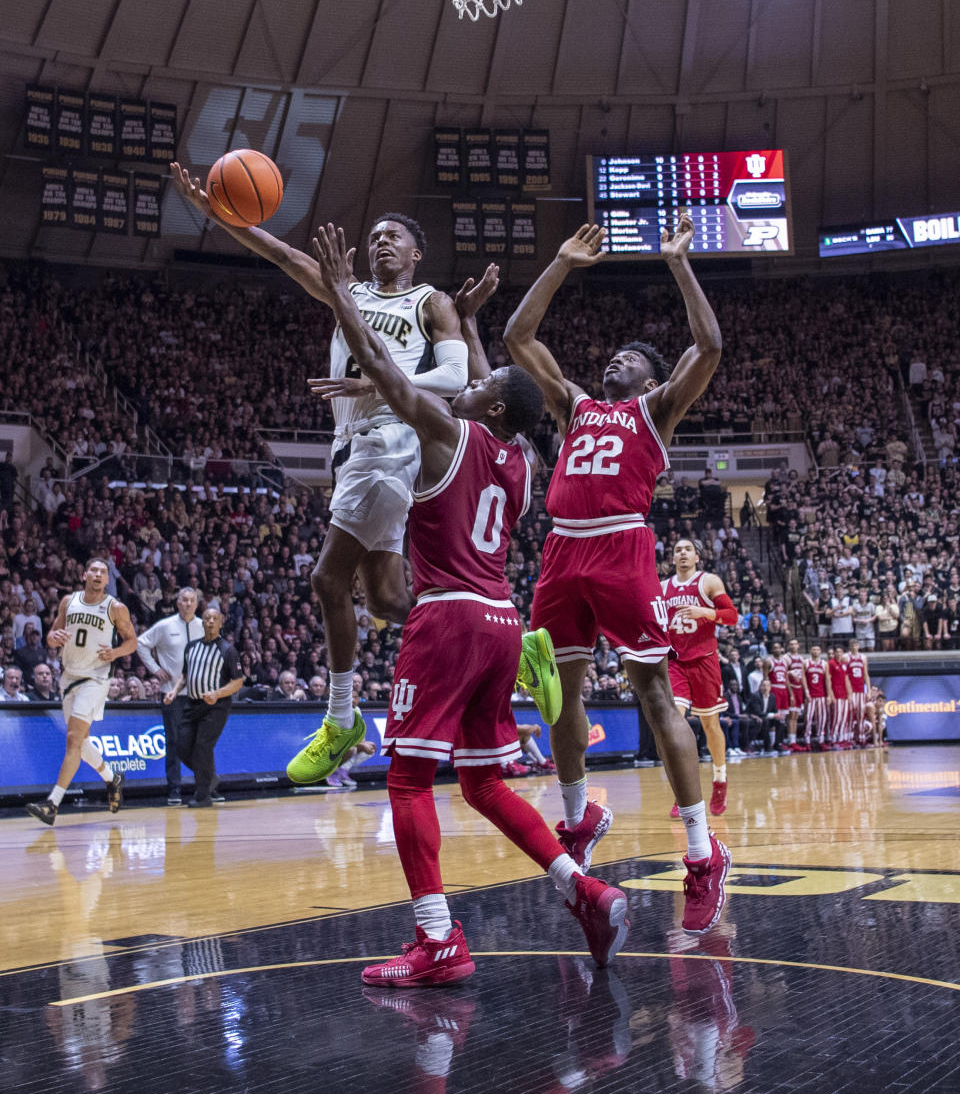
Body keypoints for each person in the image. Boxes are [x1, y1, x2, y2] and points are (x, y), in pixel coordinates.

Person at [309, 222, 628, 986]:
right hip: (502, 622)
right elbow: (499, 385)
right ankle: (581, 888)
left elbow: (387, 370)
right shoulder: (518, 460)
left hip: (449, 615)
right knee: (483, 783)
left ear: (483, 408)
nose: (466, 383)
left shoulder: (446, 432)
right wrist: (475, 326)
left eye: (475, 388)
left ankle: (438, 940)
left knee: (409, 780)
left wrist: (339, 296)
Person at [171, 165, 556, 776]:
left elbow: (457, 381)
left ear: (415, 254)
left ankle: (341, 717)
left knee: (328, 582)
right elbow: (275, 250)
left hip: (395, 440)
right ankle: (520, 650)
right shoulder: (345, 292)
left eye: (392, 237)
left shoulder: (430, 302)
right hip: (353, 444)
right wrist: (219, 209)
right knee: (385, 597)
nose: (380, 241)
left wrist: (372, 382)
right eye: (373, 235)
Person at [504, 216, 731, 935]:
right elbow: (517, 338)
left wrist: (677, 263)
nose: (612, 363)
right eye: (610, 358)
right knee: (556, 695)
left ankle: (701, 851)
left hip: (623, 548)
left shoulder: (655, 409)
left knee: (656, 693)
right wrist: (563, 263)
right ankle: (579, 819)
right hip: (563, 551)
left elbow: (711, 346)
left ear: (650, 377)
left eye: (626, 359)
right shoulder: (574, 404)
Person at [25, 557, 136, 825]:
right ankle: (112, 777)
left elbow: (132, 641)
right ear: (85, 574)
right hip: (69, 677)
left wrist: (115, 652)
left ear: (107, 579)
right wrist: (54, 638)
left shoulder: (115, 608)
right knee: (81, 742)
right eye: (94, 570)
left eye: (103, 572)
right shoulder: (68, 601)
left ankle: (52, 803)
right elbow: (51, 636)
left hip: (96, 679)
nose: (98, 575)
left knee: (73, 738)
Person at [662, 538, 739, 817]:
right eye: (677, 550)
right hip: (676, 664)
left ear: (697, 556)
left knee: (710, 725)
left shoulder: (709, 582)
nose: (682, 553)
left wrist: (705, 612)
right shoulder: (662, 588)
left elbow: (732, 616)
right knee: (674, 724)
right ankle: (684, 791)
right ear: (672, 558)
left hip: (705, 661)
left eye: (687, 549)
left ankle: (719, 779)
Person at [166, 607, 243, 807]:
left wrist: (217, 693)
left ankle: (203, 796)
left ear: (220, 623)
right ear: (202, 622)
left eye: (214, 619)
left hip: (216, 706)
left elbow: (237, 682)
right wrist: (174, 691)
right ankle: (210, 778)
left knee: (202, 747)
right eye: (207, 618)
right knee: (182, 747)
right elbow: (185, 676)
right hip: (192, 704)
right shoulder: (191, 647)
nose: (209, 622)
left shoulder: (227, 650)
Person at [136, 586, 205, 805]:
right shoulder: (165, 626)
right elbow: (140, 644)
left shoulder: (204, 626)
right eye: (183, 600)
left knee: (201, 742)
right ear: (177, 603)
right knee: (174, 743)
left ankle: (204, 788)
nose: (187, 604)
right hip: (171, 695)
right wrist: (155, 669)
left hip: (198, 694)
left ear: (197, 604)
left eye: (191, 601)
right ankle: (174, 789)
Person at [803, 644, 833, 749]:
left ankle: (821, 740)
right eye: (813, 649)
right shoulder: (806, 662)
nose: (815, 651)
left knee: (822, 718)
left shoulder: (824, 664)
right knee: (808, 718)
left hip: (821, 695)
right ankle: (807, 741)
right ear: (810, 651)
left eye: (817, 649)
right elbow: (803, 678)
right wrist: (806, 691)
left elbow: (827, 680)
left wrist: (829, 695)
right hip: (810, 695)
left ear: (820, 651)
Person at [846, 639, 871, 746]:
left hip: (861, 690)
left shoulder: (863, 657)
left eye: (856, 645)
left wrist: (869, 690)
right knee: (851, 714)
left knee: (861, 714)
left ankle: (861, 737)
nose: (854, 647)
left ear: (858, 646)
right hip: (851, 690)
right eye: (852, 645)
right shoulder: (846, 657)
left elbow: (866, 674)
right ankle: (850, 737)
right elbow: (845, 675)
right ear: (849, 647)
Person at [827, 651, 853, 749]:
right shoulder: (831, 663)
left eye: (841, 652)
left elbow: (847, 679)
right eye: (837, 652)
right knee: (837, 717)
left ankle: (842, 739)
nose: (839, 654)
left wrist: (850, 693)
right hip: (836, 693)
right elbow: (828, 679)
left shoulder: (844, 664)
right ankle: (833, 739)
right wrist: (831, 694)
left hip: (844, 694)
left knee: (844, 717)